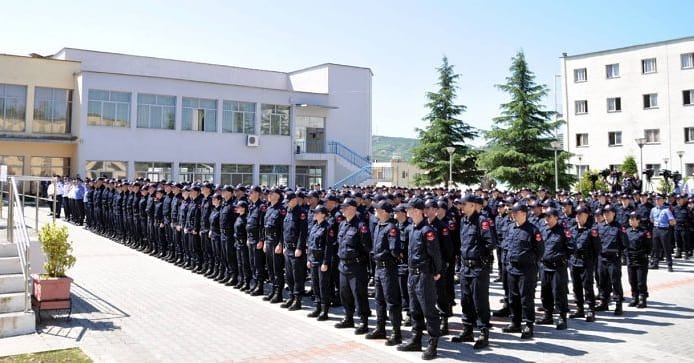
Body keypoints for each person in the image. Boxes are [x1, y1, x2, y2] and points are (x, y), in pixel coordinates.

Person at [397, 198, 442, 361]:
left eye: (408, 209)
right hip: (412, 273)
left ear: (416, 210)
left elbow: (435, 253)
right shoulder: (411, 229)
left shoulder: (427, 230)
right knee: (414, 308)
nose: (406, 212)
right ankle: (416, 339)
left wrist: (437, 271)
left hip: (424, 275)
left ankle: (432, 343)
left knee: (428, 309)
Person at [451, 195, 496, 349]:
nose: (461, 207)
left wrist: (479, 255)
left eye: (464, 204)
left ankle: (483, 333)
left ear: (472, 205)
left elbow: (491, 243)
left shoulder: (482, 221)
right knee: (466, 299)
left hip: (478, 267)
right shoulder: (464, 220)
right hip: (465, 267)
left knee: (480, 300)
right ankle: (467, 330)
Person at [502, 203, 543, 339]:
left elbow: (540, 251)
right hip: (512, 268)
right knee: (513, 298)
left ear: (524, 213)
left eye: (516, 212)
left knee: (526, 298)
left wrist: (529, 261)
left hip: (527, 270)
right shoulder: (511, 228)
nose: (513, 214)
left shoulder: (533, 230)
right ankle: (516, 322)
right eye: (512, 212)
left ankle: (529, 324)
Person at [366, 200, 402, 346]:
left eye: (377, 210)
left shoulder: (391, 228)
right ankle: (380, 328)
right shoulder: (378, 226)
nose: (375, 212)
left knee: (392, 301)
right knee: (379, 299)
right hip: (378, 268)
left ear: (384, 212)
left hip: (388, 268)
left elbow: (395, 251)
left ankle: (396, 333)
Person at [334, 198, 372, 335]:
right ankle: (348, 318)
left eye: (345, 207)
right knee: (344, 293)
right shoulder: (343, 224)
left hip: (357, 266)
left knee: (359, 294)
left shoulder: (361, 226)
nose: (342, 210)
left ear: (352, 209)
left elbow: (367, 247)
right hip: (343, 264)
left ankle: (363, 321)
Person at [537, 208, 570, 330]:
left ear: (556, 217)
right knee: (545, 292)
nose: (547, 219)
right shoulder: (543, 230)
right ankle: (548, 315)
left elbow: (572, 248)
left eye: (549, 217)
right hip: (545, 266)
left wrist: (561, 257)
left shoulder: (563, 231)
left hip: (558, 267)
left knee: (559, 292)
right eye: (545, 216)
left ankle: (562, 317)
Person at [568, 206, 600, 322]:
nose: (577, 216)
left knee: (587, 285)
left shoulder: (592, 230)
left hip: (586, 262)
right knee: (576, 286)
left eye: (580, 214)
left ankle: (591, 309)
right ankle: (579, 308)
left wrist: (591, 260)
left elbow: (597, 248)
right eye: (576, 214)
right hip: (574, 261)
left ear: (586, 216)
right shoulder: (572, 230)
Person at [595, 205, 626, 315]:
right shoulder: (599, 226)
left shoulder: (619, 227)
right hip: (601, 258)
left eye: (608, 212)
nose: (606, 214)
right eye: (604, 213)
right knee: (602, 281)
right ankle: (604, 302)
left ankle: (618, 304)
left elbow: (624, 243)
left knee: (615, 281)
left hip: (613, 258)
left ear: (613, 213)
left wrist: (618, 253)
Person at [306, 205, 334, 321]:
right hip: (314, 259)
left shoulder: (328, 227)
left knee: (323, 286)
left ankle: (324, 310)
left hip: (322, 259)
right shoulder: (314, 226)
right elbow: (310, 243)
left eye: (317, 213)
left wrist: (325, 262)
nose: (314, 214)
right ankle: (317, 307)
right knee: (315, 284)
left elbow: (328, 246)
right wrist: (308, 259)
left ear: (323, 214)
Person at [281, 191, 308, 310]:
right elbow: (285, 231)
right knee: (289, 275)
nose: (287, 204)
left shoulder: (301, 213)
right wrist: (284, 246)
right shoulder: (288, 213)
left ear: (294, 200)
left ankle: (298, 300)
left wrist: (299, 247)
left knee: (297, 276)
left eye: (288, 202)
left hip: (296, 250)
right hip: (288, 248)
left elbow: (303, 233)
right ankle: (291, 296)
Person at [625, 212, 652, 308]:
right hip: (630, 259)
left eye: (633, 219)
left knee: (641, 281)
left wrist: (643, 254)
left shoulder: (644, 232)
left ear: (638, 220)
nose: (631, 221)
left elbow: (649, 246)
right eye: (630, 219)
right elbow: (624, 245)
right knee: (632, 280)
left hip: (641, 260)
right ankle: (634, 297)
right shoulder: (627, 231)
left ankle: (642, 298)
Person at [649, 194, 675, 272]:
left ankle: (669, 265)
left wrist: (668, 224)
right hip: (656, 229)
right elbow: (651, 219)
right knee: (655, 247)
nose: (657, 201)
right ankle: (655, 264)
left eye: (659, 199)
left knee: (666, 248)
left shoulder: (667, 209)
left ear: (663, 200)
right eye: (656, 199)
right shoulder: (653, 209)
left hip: (664, 230)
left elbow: (672, 220)